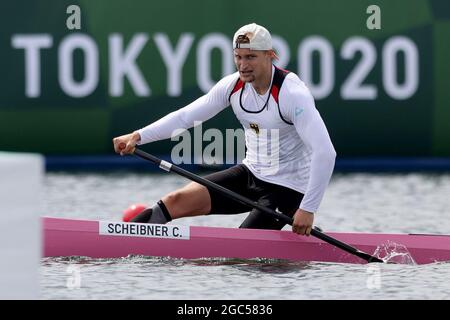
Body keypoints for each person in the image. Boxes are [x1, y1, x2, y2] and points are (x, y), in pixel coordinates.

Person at [113, 23, 336, 236]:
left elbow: (325, 152)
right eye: (238, 57)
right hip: (251, 174)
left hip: (288, 188)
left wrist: (308, 208)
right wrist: (137, 136)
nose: (243, 65)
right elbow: (185, 117)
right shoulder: (233, 86)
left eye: (251, 57)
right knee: (174, 202)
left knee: (242, 253)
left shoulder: (292, 94)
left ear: (270, 55)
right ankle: (119, 245)